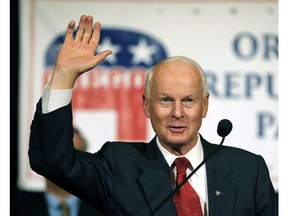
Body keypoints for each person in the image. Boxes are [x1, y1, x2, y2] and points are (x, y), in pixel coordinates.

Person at [28, 15, 278, 216]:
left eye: (188, 101)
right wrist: (63, 77)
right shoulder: (118, 166)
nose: (177, 113)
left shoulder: (248, 170)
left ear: (205, 106)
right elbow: (51, 161)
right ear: (146, 106)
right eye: (166, 100)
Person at [12, 128, 103, 216]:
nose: (67, 163)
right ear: (44, 159)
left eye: (76, 154)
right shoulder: (13, 210)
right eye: (59, 153)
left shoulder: (104, 211)